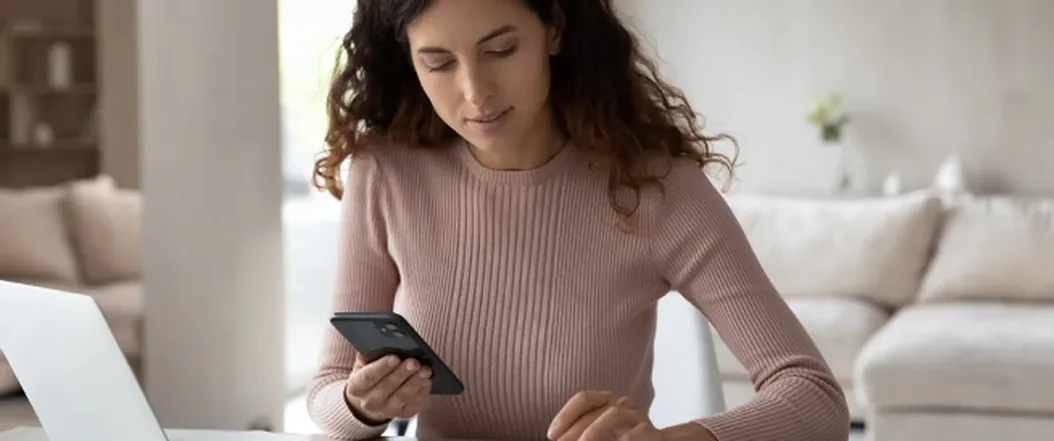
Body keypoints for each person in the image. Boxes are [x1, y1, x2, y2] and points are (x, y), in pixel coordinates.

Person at [305, 0, 851, 440]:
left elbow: (814, 398)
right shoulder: (386, 175)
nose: (475, 91)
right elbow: (327, 394)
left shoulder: (657, 190)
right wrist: (362, 405)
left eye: (500, 49)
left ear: (554, 31)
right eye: (439, 62)